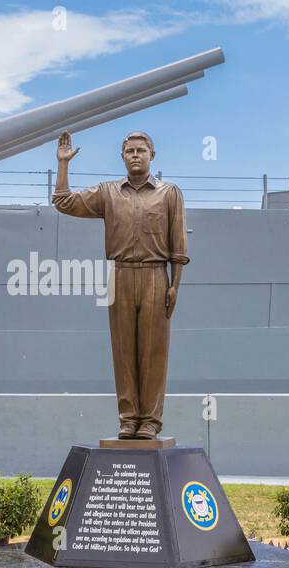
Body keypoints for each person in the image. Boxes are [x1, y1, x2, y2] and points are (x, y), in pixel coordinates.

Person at [51, 130, 188, 439]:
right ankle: (128, 419)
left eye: (141, 150)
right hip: (121, 274)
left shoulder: (170, 194)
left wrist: (174, 285)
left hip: (156, 275)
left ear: (153, 155)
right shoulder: (108, 193)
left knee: (153, 353)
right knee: (123, 350)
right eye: (130, 151)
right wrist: (63, 165)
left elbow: (178, 246)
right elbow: (62, 201)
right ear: (123, 157)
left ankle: (151, 422)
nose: (135, 155)